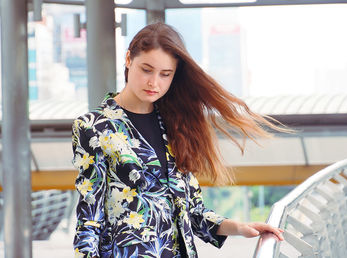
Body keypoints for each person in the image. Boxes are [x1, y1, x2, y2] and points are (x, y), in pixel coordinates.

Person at [72, 22, 285, 258]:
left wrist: (239, 228)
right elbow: (89, 219)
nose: (154, 82)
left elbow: (192, 211)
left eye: (165, 74)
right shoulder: (93, 127)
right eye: (146, 69)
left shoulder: (175, 123)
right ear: (128, 59)